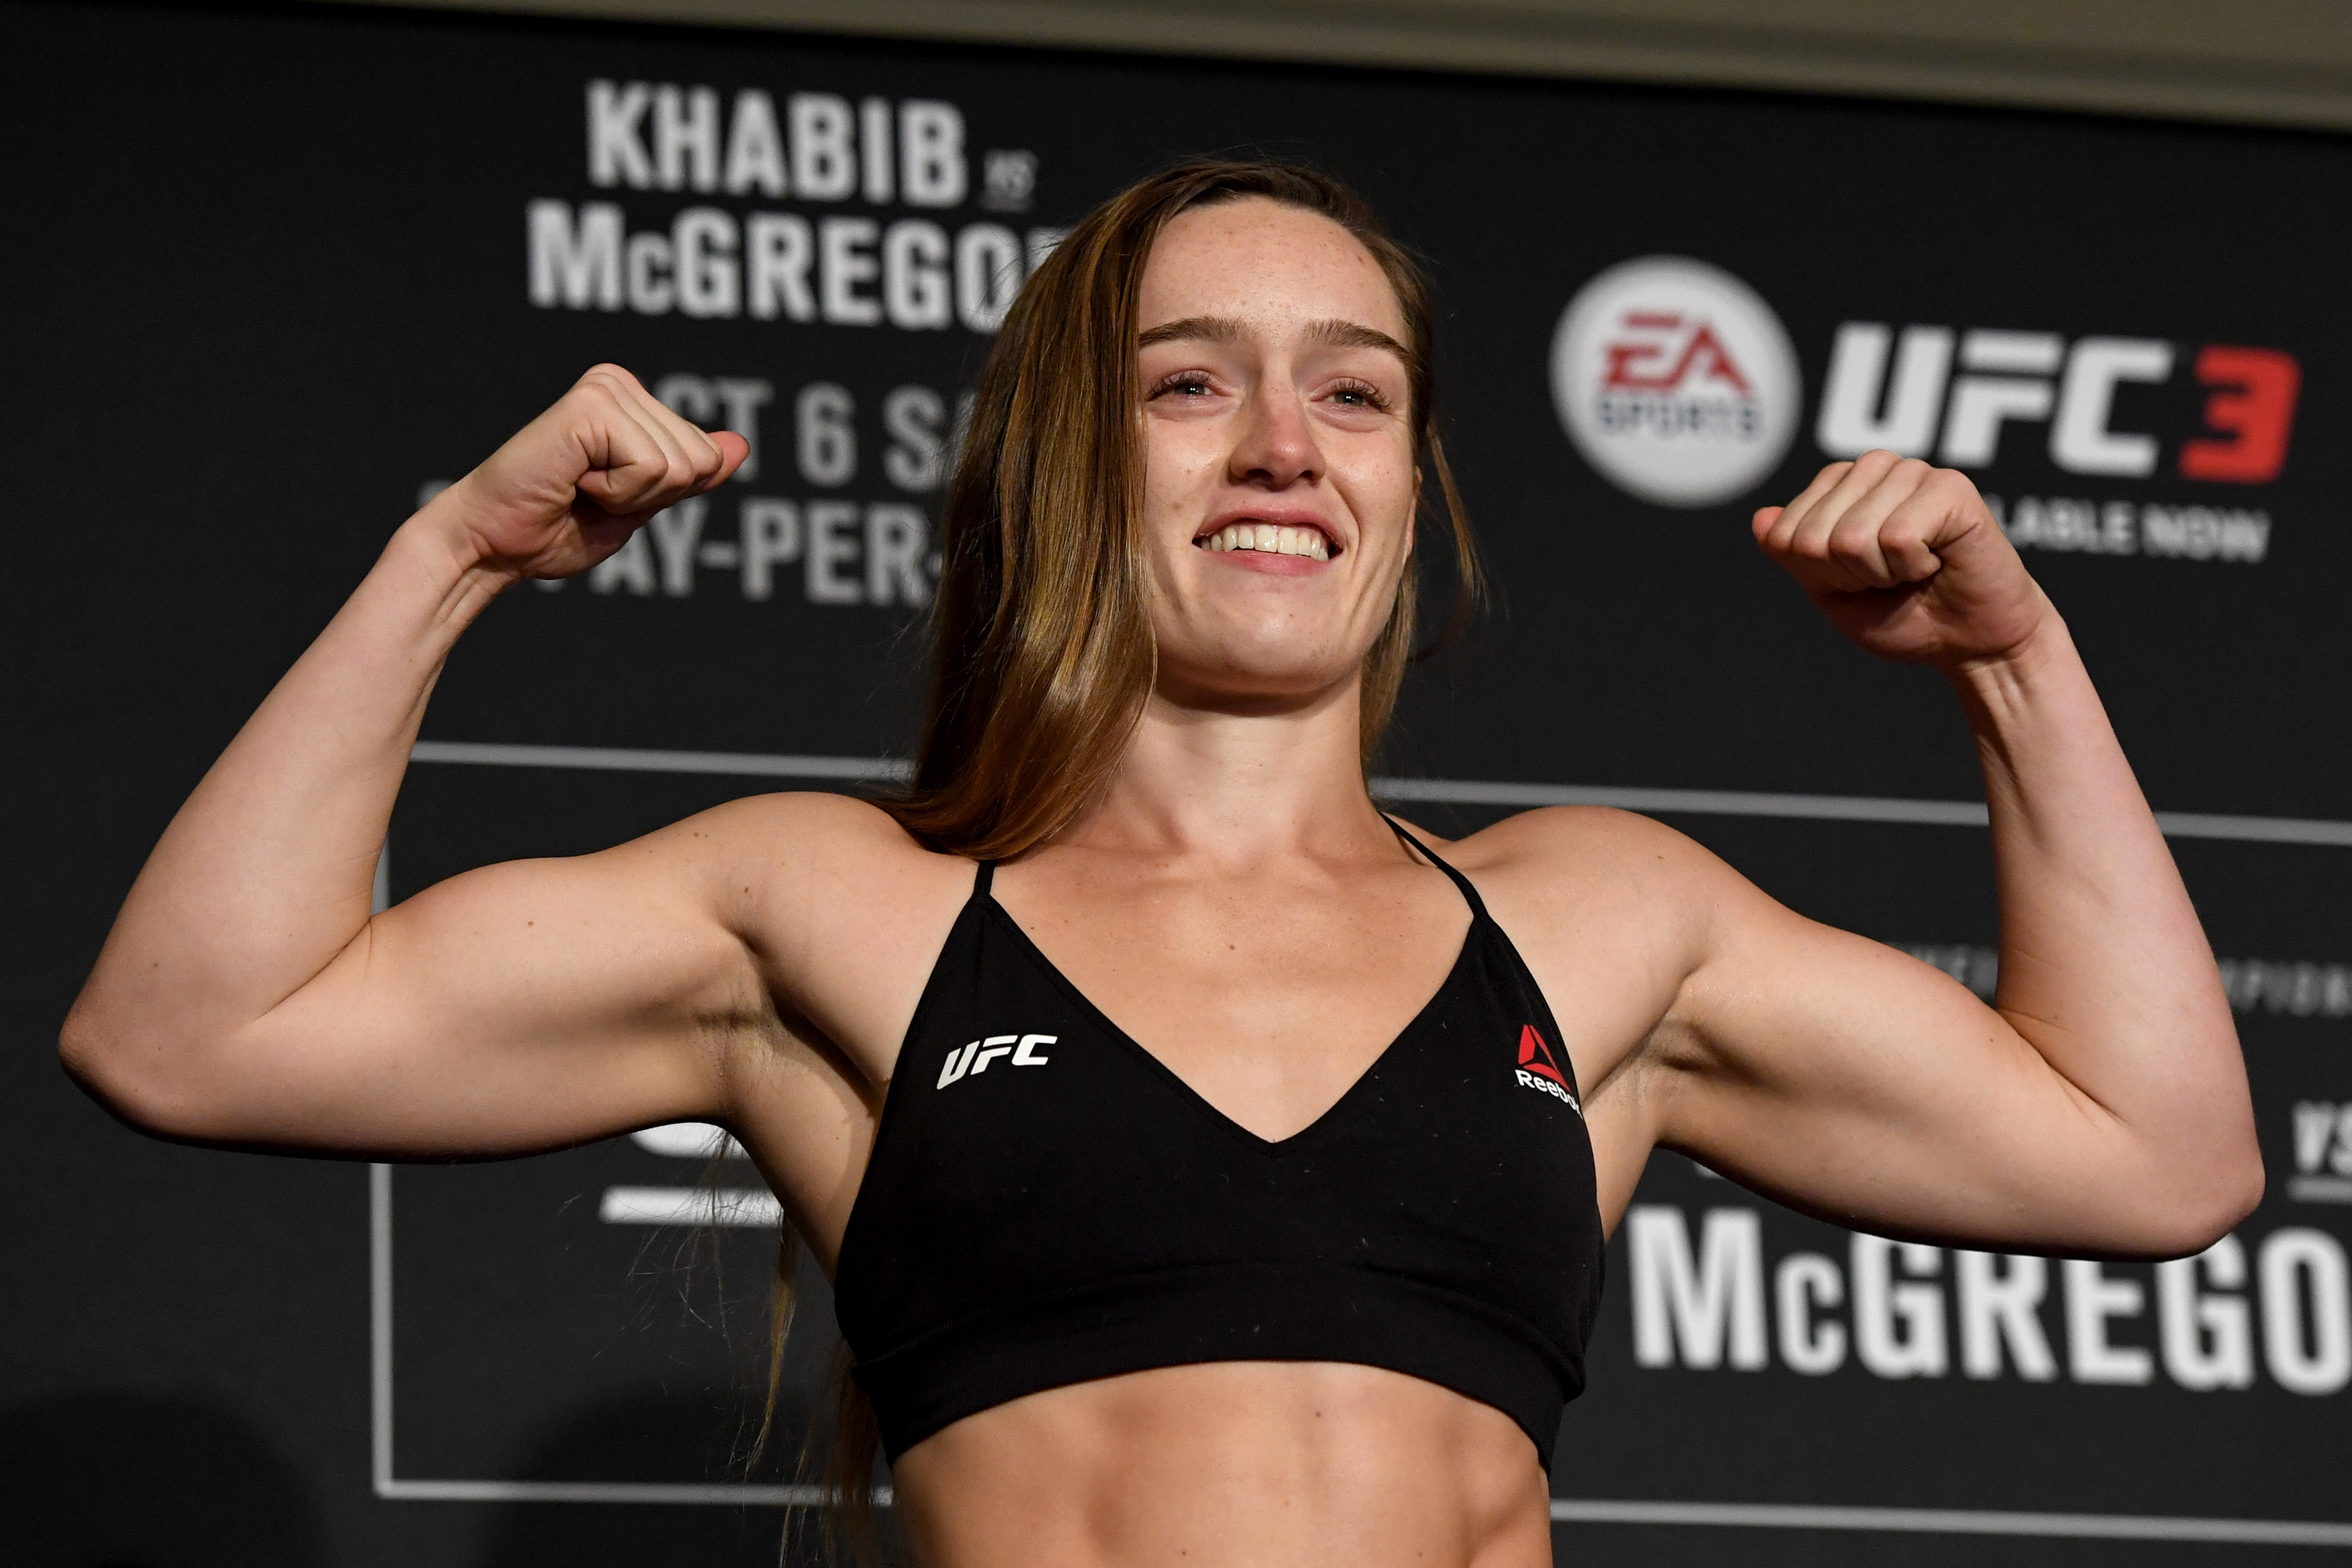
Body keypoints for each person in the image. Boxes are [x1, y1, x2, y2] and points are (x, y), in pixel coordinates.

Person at [62, 159, 2260, 1568]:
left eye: (1357, 393)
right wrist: (451, 555)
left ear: (1411, 487)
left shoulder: (1601, 921)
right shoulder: (841, 911)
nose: (1288, 446)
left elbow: (2157, 1159)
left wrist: (2013, 660)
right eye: (1193, 384)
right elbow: (190, 1032)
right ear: (1061, 462)